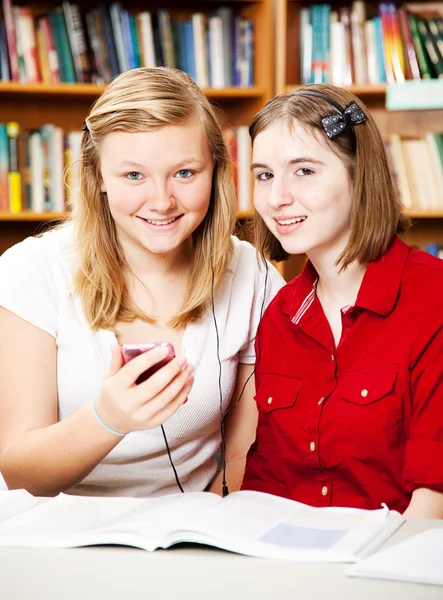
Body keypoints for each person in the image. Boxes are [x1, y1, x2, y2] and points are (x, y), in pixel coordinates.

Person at [0, 67, 285, 498]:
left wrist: (196, 534)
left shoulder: (252, 275)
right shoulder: (31, 270)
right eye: (134, 176)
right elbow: (20, 475)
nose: (161, 201)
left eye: (185, 173)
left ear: (217, 171)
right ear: (97, 179)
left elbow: (244, 456)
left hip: (194, 531)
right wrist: (107, 419)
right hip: (56, 537)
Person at [242, 83, 443, 519]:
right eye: (264, 175)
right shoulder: (279, 316)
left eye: (304, 171)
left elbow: (434, 498)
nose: (277, 198)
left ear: (359, 174)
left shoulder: (434, 301)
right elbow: (268, 482)